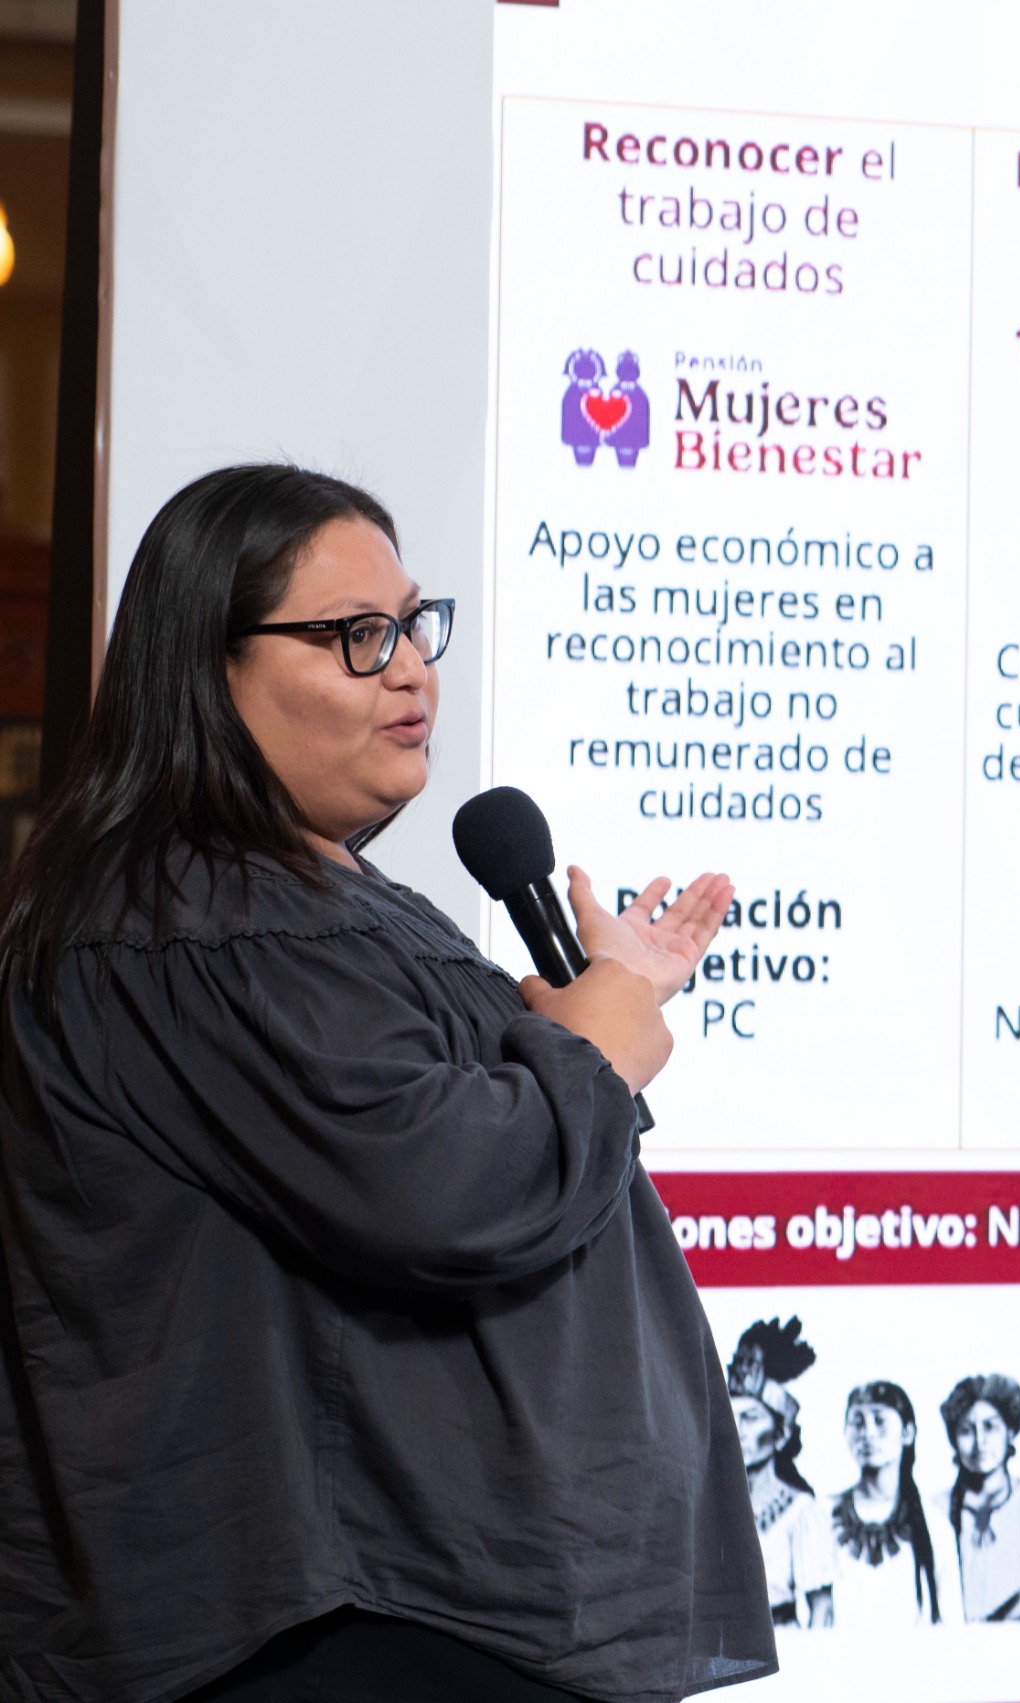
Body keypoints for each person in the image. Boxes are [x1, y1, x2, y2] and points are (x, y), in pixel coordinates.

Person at [0, 465, 769, 1701]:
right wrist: (595, 1047)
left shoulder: (297, 895)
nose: (411, 669)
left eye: (414, 625)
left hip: (438, 1617)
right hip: (345, 1631)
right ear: (207, 667)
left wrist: (593, 1015)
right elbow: (442, 1191)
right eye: (358, 635)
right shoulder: (201, 919)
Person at [731, 1318, 835, 1629]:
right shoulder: (711, 1507)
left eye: (750, 1417)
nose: (738, 1430)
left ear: (780, 1434)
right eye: (732, 1417)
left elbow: (822, 1608)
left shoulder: (801, 1510)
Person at [831, 1381, 943, 1628]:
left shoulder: (936, 1524)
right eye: (858, 1422)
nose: (868, 1434)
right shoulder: (821, 1516)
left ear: (907, 1433)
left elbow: (951, 1622)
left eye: (880, 1421)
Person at [939, 1374, 1020, 1622]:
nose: (980, 1442)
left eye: (990, 1427)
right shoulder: (937, 1509)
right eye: (967, 1431)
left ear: (1010, 1432)